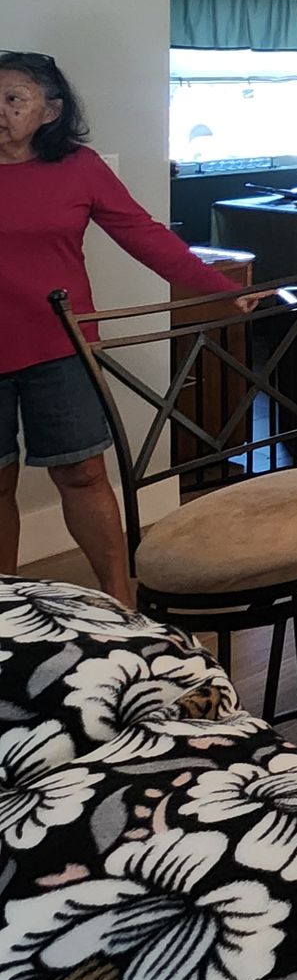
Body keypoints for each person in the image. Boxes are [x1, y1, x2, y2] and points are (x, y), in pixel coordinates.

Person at [0, 52, 247, 604]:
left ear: (50, 110)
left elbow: (144, 234)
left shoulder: (80, 167)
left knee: (84, 475)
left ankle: (120, 598)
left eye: (13, 99)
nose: (0, 110)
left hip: (61, 349)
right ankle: (7, 615)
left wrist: (221, 289)